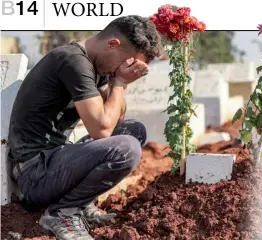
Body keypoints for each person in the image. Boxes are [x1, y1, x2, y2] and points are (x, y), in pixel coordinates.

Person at [7, 15, 162, 240]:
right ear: (113, 44)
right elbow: (101, 130)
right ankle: (62, 213)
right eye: (126, 62)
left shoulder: (94, 65)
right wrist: (120, 83)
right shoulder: (72, 61)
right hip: (34, 174)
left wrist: (118, 83)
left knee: (133, 130)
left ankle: (81, 204)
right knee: (126, 148)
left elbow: (115, 121)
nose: (123, 69)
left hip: (54, 162)